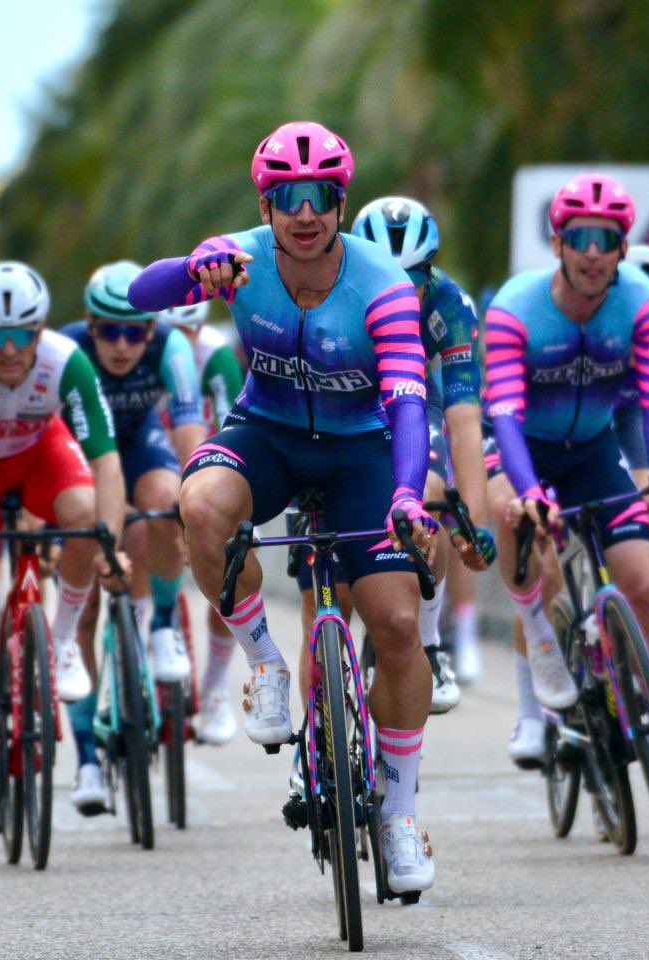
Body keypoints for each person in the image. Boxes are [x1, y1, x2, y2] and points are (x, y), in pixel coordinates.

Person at [128, 120, 443, 895]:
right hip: (266, 432)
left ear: (342, 204)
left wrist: (408, 493)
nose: (305, 212)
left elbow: (408, 402)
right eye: (288, 196)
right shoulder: (239, 260)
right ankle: (265, 661)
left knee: (399, 625)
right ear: (265, 205)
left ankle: (399, 813)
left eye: (321, 196)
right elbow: (140, 295)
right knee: (199, 504)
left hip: (362, 450)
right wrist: (192, 269)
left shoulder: (382, 286)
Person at [482, 173, 649, 804]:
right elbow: (504, 415)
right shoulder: (516, 307)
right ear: (556, 243)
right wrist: (529, 490)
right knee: (510, 514)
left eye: (604, 239)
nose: (590, 251)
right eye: (578, 237)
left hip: (593, 449)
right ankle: (539, 645)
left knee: (641, 585)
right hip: (522, 445)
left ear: (622, 248)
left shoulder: (641, 303)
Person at [0, 262, 127, 828]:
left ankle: (62, 641)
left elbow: (106, 460)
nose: (9, 349)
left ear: (39, 330)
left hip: (39, 456)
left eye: (21, 334)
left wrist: (109, 545)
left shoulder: (67, 360)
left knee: (84, 516)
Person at [59, 261, 204, 811]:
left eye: (135, 332)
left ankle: (163, 624)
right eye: (110, 331)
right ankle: (87, 761)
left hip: (141, 443)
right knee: (84, 611)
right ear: (90, 325)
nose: (122, 345)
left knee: (168, 503)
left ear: (152, 329)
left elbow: (189, 432)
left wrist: (198, 502)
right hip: (80, 454)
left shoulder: (171, 346)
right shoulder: (67, 349)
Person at [349, 195, 494, 712]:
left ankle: (430, 641)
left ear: (431, 271)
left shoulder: (450, 306)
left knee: (431, 491)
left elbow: (464, 424)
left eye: (414, 277)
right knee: (321, 598)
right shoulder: (333, 289)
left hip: (414, 399)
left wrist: (474, 527)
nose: (401, 289)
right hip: (345, 401)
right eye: (386, 275)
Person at [158, 300, 247, 741]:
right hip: (157, 460)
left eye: (190, 330)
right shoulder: (143, 349)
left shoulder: (216, 357)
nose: (182, 341)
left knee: (228, 570)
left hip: (207, 461)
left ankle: (214, 688)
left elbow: (233, 431)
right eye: (173, 330)